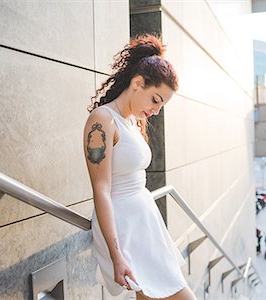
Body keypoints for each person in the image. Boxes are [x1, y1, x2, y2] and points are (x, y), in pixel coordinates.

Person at [83, 34, 196, 300]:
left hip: (144, 222)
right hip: (124, 227)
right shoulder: (102, 120)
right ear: (137, 83)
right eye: (155, 100)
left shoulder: (132, 122)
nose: (156, 110)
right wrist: (116, 254)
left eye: (162, 105)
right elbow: (101, 190)